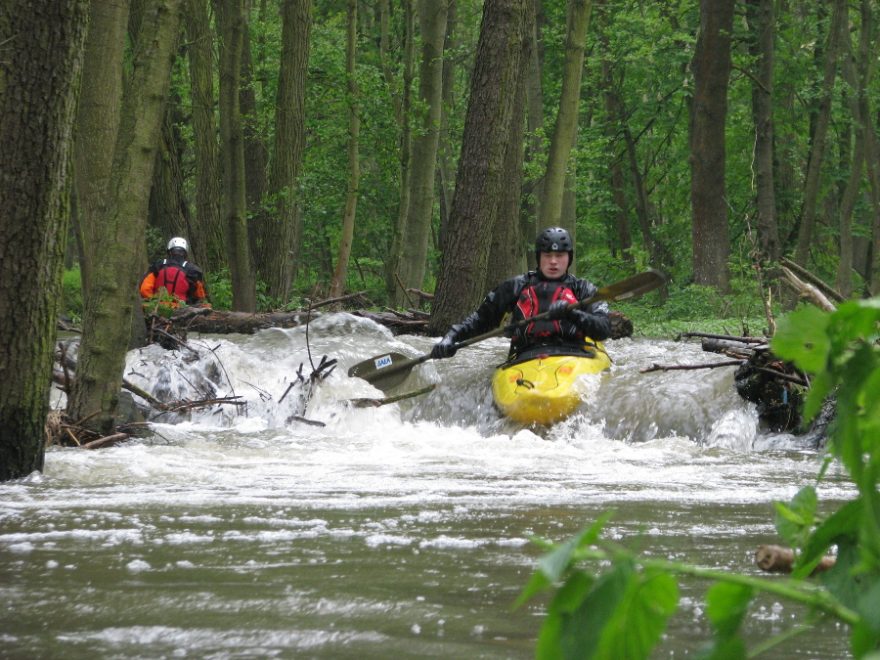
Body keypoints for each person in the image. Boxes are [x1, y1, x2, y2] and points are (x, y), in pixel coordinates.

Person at [430, 227, 610, 362]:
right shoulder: (516, 286)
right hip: (524, 358)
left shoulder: (583, 289)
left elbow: (603, 328)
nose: (553, 261)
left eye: (560, 255)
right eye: (547, 255)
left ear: (569, 258)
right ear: (538, 257)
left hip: (573, 355)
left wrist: (572, 313)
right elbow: (480, 320)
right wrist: (451, 337)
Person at [139, 236, 209, 307]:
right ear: (185, 253)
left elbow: (144, 289)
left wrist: (152, 302)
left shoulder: (158, 266)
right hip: (183, 308)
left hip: (158, 307)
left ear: (169, 251)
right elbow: (201, 296)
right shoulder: (192, 270)